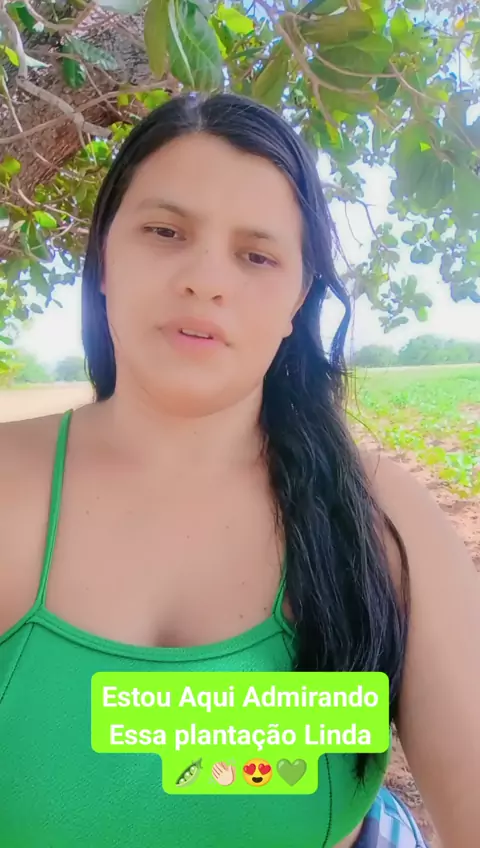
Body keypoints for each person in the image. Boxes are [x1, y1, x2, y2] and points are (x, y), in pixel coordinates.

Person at [0, 93, 478, 848]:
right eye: (165, 231)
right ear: (104, 260)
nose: (205, 279)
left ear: (297, 300)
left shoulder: (383, 523)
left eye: (257, 255)